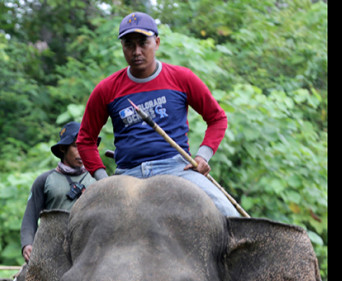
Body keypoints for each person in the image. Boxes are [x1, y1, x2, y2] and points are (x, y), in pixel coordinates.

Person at [75, 11, 239, 217]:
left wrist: (202, 156)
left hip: (178, 170)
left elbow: (217, 118)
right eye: (129, 44)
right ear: (122, 47)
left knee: (229, 214)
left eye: (143, 43)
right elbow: (85, 139)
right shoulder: (106, 89)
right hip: (127, 175)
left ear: (157, 42)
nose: (136, 51)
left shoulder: (182, 78)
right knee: (79, 222)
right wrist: (103, 180)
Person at [19, 121, 99, 263]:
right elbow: (30, 218)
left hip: (89, 252)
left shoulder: (97, 179)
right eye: (76, 146)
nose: (81, 151)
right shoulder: (45, 180)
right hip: (53, 252)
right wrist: (27, 244)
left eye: (85, 145)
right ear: (63, 148)